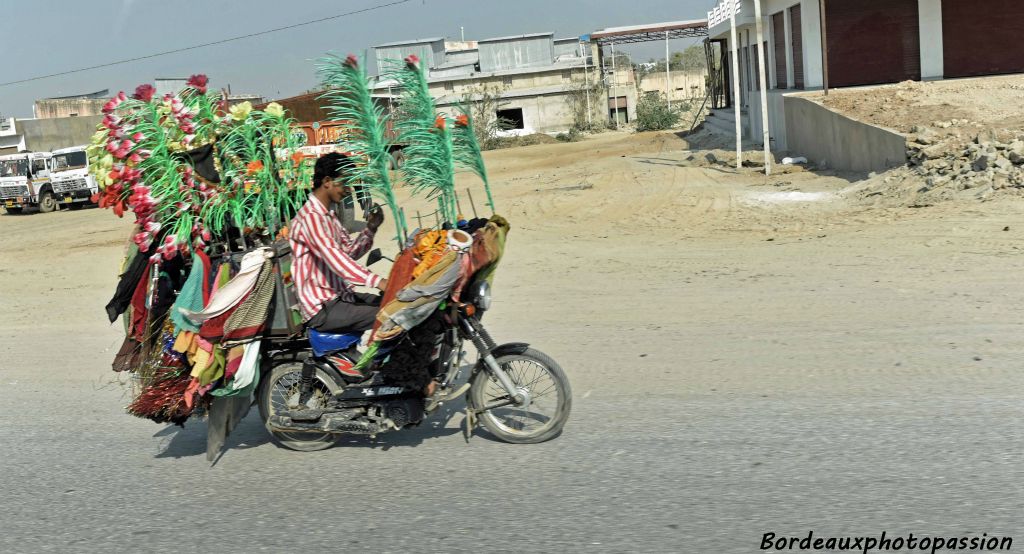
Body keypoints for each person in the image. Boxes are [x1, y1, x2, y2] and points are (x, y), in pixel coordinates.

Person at [289, 152, 388, 339]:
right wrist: (379, 282)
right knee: (390, 316)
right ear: (327, 181)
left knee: (394, 303)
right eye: (344, 183)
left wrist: (371, 229)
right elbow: (337, 259)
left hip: (341, 297)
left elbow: (349, 252)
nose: (348, 190)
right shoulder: (311, 218)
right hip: (322, 307)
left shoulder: (329, 216)